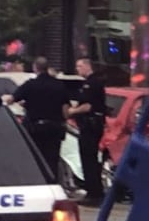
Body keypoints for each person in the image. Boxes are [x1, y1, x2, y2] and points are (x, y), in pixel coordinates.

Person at [8, 57, 69, 175]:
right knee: (52, 160)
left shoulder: (30, 85)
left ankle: (38, 180)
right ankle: (52, 182)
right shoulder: (59, 85)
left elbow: (11, 100)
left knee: (35, 158)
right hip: (54, 129)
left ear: (35, 68)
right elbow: (65, 110)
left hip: (35, 129)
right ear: (47, 68)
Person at [68, 56, 108, 204]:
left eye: (79, 66)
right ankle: (95, 191)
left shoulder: (92, 83)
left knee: (88, 159)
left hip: (90, 125)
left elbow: (88, 106)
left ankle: (94, 193)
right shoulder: (92, 82)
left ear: (87, 66)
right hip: (92, 125)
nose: (77, 69)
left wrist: (72, 111)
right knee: (89, 159)